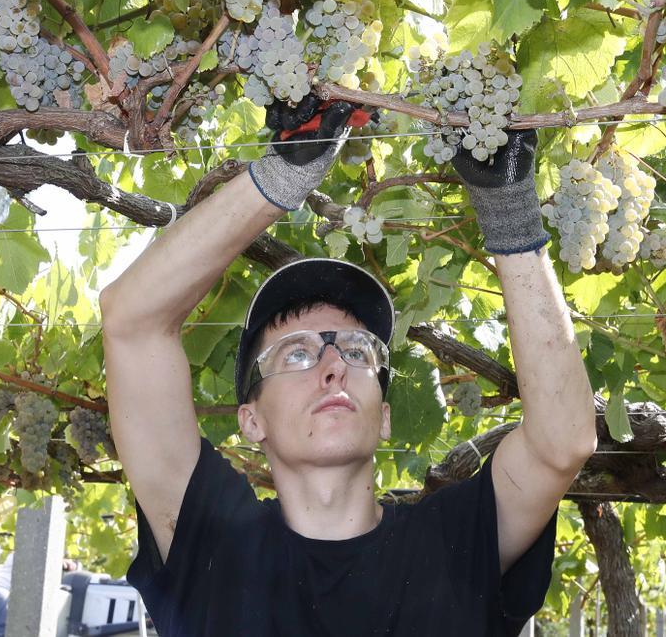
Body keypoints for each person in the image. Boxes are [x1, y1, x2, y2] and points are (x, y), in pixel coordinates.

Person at [99, 94, 597, 636]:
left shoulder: (452, 542)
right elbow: (132, 321)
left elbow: (561, 443)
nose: (332, 366)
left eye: (357, 351)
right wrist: (278, 179)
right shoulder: (211, 545)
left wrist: (511, 218)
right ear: (251, 420)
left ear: (383, 415)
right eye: (297, 353)